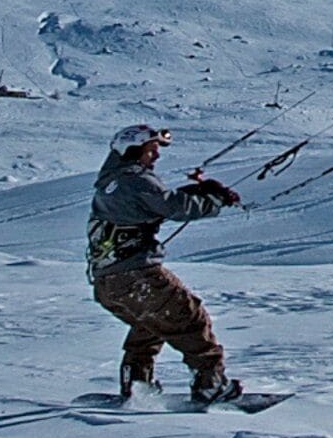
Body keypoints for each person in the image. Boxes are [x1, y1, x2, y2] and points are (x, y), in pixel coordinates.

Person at [87, 123, 245, 403]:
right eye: (151, 149)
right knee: (190, 317)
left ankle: (137, 387)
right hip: (137, 276)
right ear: (133, 150)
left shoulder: (111, 183)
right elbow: (174, 207)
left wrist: (195, 193)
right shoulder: (136, 180)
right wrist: (214, 199)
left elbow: (154, 203)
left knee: (150, 325)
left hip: (107, 282)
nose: (156, 155)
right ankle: (211, 384)